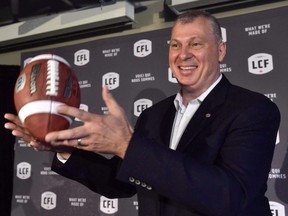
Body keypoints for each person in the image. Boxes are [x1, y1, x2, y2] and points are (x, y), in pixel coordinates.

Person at [5, 10, 280, 216]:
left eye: (196, 44)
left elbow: (230, 195)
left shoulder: (253, 109)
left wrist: (127, 145)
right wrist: (64, 150)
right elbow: (122, 182)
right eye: (175, 45)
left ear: (220, 51)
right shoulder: (155, 115)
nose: (183, 55)